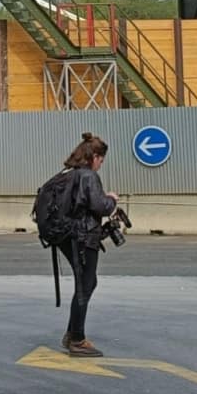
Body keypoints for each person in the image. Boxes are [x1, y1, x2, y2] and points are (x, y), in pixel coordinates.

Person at [57, 133, 119, 359]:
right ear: (94, 157)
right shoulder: (88, 177)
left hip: (68, 235)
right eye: (101, 160)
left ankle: (72, 333)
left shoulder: (69, 174)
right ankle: (77, 339)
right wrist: (112, 198)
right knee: (86, 284)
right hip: (83, 237)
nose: (101, 164)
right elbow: (100, 206)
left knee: (85, 283)